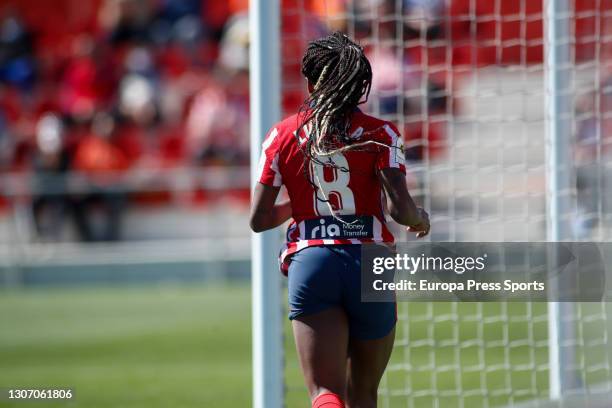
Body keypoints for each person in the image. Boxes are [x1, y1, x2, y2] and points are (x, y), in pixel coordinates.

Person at [250, 32, 430, 408]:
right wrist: (421, 218)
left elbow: (259, 218)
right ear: (360, 83)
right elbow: (400, 209)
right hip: (370, 260)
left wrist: (301, 207)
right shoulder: (383, 134)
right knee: (364, 392)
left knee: (325, 392)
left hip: (313, 259)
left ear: (311, 81)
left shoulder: (283, 135)